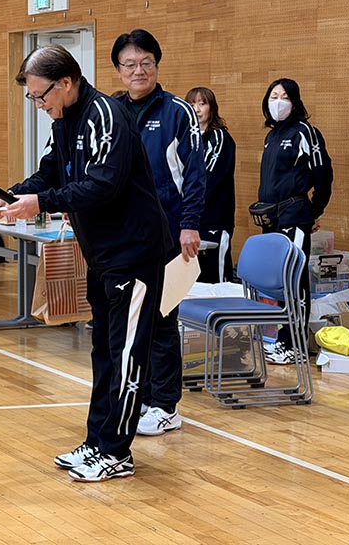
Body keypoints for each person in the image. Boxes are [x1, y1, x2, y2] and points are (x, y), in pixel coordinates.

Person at [0, 45, 170, 482]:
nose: (39, 105)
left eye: (41, 96)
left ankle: (117, 451)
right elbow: (51, 170)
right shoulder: (65, 120)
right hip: (102, 255)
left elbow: (101, 185)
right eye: (32, 98)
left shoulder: (106, 115)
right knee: (103, 350)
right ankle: (97, 441)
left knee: (126, 356)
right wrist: (13, 197)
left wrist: (40, 203)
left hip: (135, 254)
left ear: (65, 83)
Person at [112, 29, 204, 437]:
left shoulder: (177, 112)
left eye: (145, 62)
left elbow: (196, 174)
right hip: (121, 234)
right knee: (131, 319)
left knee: (163, 318)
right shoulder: (111, 110)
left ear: (157, 65)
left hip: (166, 232)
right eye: (129, 64)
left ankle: (165, 404)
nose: (138, 71)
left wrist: (190, 223)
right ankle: (140, 394)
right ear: (118, 70)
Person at [257, 78, 333, 364]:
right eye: (273, 95)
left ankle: (295, 345)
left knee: (294, 281)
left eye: (284, 96)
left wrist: (314, 211)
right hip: (270, 219)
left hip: (294, 217)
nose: (278, 101)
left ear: (295, 101)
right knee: (276, 282)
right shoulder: (271, 135)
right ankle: (280, 340)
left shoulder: (305, 133)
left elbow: (323, 175)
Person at [186, 87, 236, 283]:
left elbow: (208, 180)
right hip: (190, 223)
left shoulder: (220, 138)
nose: (196, 109)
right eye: (191, 104)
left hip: (214, 221)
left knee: (216, 278)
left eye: (202, 103)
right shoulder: (186, 138)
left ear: (211, 108)